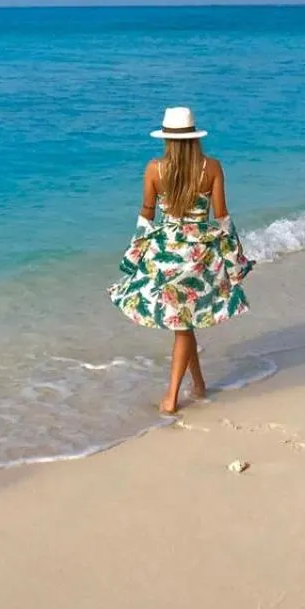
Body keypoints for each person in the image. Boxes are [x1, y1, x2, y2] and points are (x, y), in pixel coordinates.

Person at [109, 106, 252, 415]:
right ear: (194, 137)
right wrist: (233, 258)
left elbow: (147, 213)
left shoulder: (154, 169)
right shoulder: (211, 167)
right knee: (184, 322)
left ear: (167, 139)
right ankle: (198, 385)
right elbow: (222, 216)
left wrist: (135, 252)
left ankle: (171, 397)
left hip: (166, 251)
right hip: (198, 254)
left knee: (183, 324)